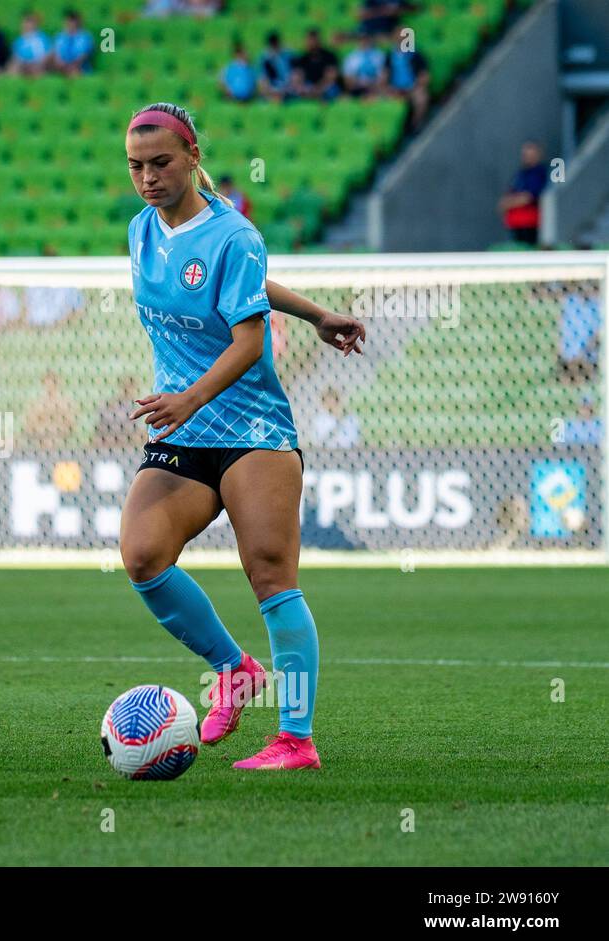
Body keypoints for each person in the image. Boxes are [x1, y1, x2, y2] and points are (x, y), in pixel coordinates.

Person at [122, 102, 366, 772]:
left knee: (269, 574)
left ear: (193, 153)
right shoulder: (142, 231)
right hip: (186, 427)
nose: (148, 178)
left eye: (161, 163)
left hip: (252, 428)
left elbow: (248, 335)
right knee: (143, 556)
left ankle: (296, 739)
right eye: (137, 166)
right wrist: (317, 313)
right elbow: (249, 287)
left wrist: (190, 397)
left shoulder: (233, 232)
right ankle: (234, 669)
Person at [498, 141, 547, 246]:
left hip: (529, 224)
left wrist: (508, 203)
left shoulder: (538, 173)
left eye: (531, 154)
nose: (527, 157)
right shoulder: (522, 173)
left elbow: (529, 197)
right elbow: (511, 192)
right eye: (525, 154)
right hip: (516, 224)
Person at [387, 40, 430, 130]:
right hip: (394, 89)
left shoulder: (416, 56)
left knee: (421, 99)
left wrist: (416, 86)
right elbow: (384, 75)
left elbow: (424, 76)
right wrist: (390, 88)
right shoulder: (390, 56)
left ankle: (415, 125)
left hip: (413, 87)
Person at [291, 28, 341, 101]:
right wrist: (304, 88)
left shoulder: (330, 56)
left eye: (313, 40)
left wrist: (318, 89)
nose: (311, 43)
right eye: (309, 40)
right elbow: (297, 78)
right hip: (309, 87)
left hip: (325, 86)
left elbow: (331, 77)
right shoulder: (302, 58)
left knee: (333, 89)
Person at [50, 10, 93, 76]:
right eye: (69, 21)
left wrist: (71, 66)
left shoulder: (85, 37)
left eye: (73, 21)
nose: (71, 24)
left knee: (74, 73)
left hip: (79, 68)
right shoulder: (60, 36)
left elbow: (84, 56)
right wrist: (60, 64)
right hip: (61, 67)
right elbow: (56, 53)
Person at [257, 32, 293, 102]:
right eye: (272, 46)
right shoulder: (265, 59)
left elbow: (290, 77)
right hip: (271, 89)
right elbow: (262, 79)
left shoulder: (287, 56)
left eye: (276, 45)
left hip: (286, 89)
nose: (274, 48)